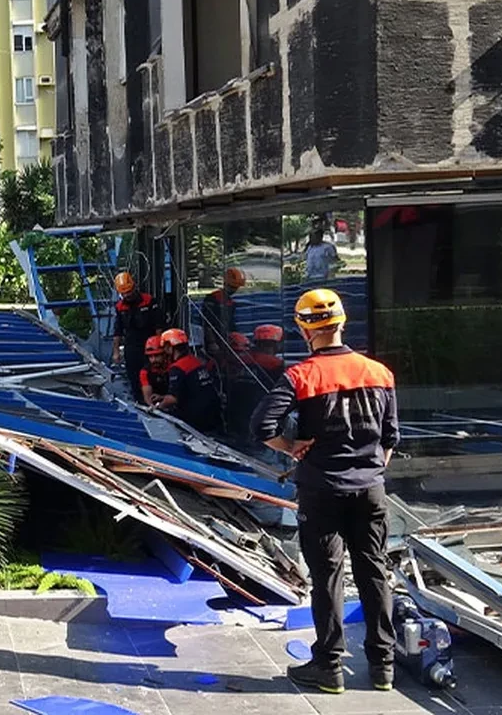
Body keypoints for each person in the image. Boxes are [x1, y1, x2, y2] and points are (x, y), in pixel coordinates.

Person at [250, 289, 400, 695]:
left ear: (304, 330)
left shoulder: (301, 376)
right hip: (370, 490)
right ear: (343, 322)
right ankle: (383, 667)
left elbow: (261, 426)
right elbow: (390, 439)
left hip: (321, 490)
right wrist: (369, 470)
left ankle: (329, 667)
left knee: (327, 577)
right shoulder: (379, 373)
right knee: (374, 572)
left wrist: (291, 447)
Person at [155, 328, 221, 434]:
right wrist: (163, 397)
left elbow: (172, 399)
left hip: (195, 419)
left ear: (169, 347)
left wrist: (157, 407)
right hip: (212, 413)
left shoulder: (177, 368)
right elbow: (193, 387)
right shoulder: (195, 361)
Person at [111, 271, 164, 403]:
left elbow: (158, 325)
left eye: (129, 292)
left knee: (153, 374)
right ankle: (140, 402)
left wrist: (161, 346)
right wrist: (116, 351)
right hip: (132, 347)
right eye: (124, 293)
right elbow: (118, 331)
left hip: (150, 344)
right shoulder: (120, 307)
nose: (127, 295)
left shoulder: (148, 301)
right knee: (134, 377)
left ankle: (156, 401)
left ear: (134, 287)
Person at [199, 267, 245, 348]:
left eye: (235, 288)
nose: (234, 290)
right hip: (215, 339)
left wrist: (236, 337)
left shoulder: (230, 302)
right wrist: (212, 342)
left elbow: (231, 323)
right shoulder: (212, 299)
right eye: (232, 287)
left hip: (227, 338)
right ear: (225, 284)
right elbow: (207, 322)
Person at [138, 335, 168, 405]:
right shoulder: (145, 372)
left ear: (164, 354)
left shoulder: (174, 367)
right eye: (150, 357)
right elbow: (148, 398)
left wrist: (162, 397)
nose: (153, 360)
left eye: (157, 356)